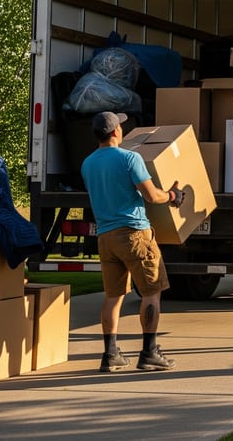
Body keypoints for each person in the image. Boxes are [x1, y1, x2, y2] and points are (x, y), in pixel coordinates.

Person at [81, 111, 184, 372]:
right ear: (116, 132)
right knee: (151, 292)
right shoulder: (130, 158)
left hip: (105, 236)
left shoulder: (88, 163)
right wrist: (172, 195)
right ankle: (149, 352)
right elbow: (151, 196)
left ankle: (110, 354)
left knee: (113, 296)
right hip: (135, 233)